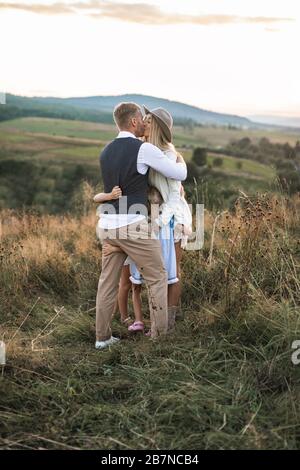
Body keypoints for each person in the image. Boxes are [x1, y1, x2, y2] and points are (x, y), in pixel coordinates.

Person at [95, 102, 187, 349]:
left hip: (106, 226)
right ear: (134, 121)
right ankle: (160, 334)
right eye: (142, 119)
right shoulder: (143, 149)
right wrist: (181, 160)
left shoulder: (105, 150)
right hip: (132, 224)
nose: (145, 122)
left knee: (107, 282)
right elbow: (179, 174)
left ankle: (102, 339)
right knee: (157, 276)